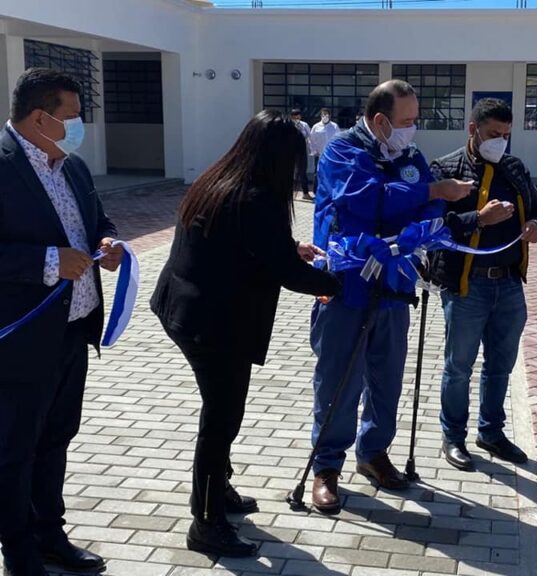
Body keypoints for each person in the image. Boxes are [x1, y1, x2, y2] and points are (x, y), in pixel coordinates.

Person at [150, 110, 340, 556]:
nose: (297, 171)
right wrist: (337, 284)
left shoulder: (220, 179)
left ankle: (220, 493)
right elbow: (286, 272)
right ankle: (207, 522)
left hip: (186, 309)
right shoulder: (255, 197)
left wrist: (290, 249)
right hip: (214, 324)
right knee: (221, 420)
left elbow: (247, 244)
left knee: (220, 414)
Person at [310, 80, 472, 513]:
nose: (412, 130)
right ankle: (326, 467)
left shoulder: (411, 157)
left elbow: (428, 211)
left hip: (395, 287)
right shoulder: (342, 150)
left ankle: (373, 452)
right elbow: (366, 201)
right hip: (347, 286)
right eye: (406, 121)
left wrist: (428, 207)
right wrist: (432, 193)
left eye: (415, 121)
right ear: (380, 120)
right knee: (339, 381)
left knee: (387, 379)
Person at [0, 68, 124, 576]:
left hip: (74, 331)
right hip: (22, 338)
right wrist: (49, 261)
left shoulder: (71, 167)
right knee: (14, 448)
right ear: (38, 117)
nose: (80, 127)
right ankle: (19, 549)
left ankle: (52, 533)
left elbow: (97, 222)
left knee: (56, 438)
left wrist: (108, 243)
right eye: (72, 117)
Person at [430, 98, 537, 471]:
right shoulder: (446, 169)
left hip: (509, 285)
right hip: (467, 286)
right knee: (459, 367)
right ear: (472, 130)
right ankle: (453, 436)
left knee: (501, 365)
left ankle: (492, 432)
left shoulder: (513, 168)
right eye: (492, 134)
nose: (499, 141)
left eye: (505, 135)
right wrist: (478, 219)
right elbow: (433, 229)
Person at [309, 108, 340, 195]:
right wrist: (314, 151)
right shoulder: (316, 127)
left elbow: (338, 139)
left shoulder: (334, 126)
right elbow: (311, 140)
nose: (324, 116)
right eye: (323, 114)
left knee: (330, 172)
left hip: (331, 155)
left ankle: (330, 191)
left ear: (330, 116)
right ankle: (316, 191)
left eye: (326, 114)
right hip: (319, 154)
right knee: (318, 173)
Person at [290, 108, 312, 201]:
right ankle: (289, 193)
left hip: (302, 151)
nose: (296, 117)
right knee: (290, 172)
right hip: (290, 151)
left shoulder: (304, 125)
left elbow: (310, 136)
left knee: (302, 171)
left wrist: (311, 149)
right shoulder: (288, 125)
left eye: (297, 115)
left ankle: (305, 193)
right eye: (294, 115)